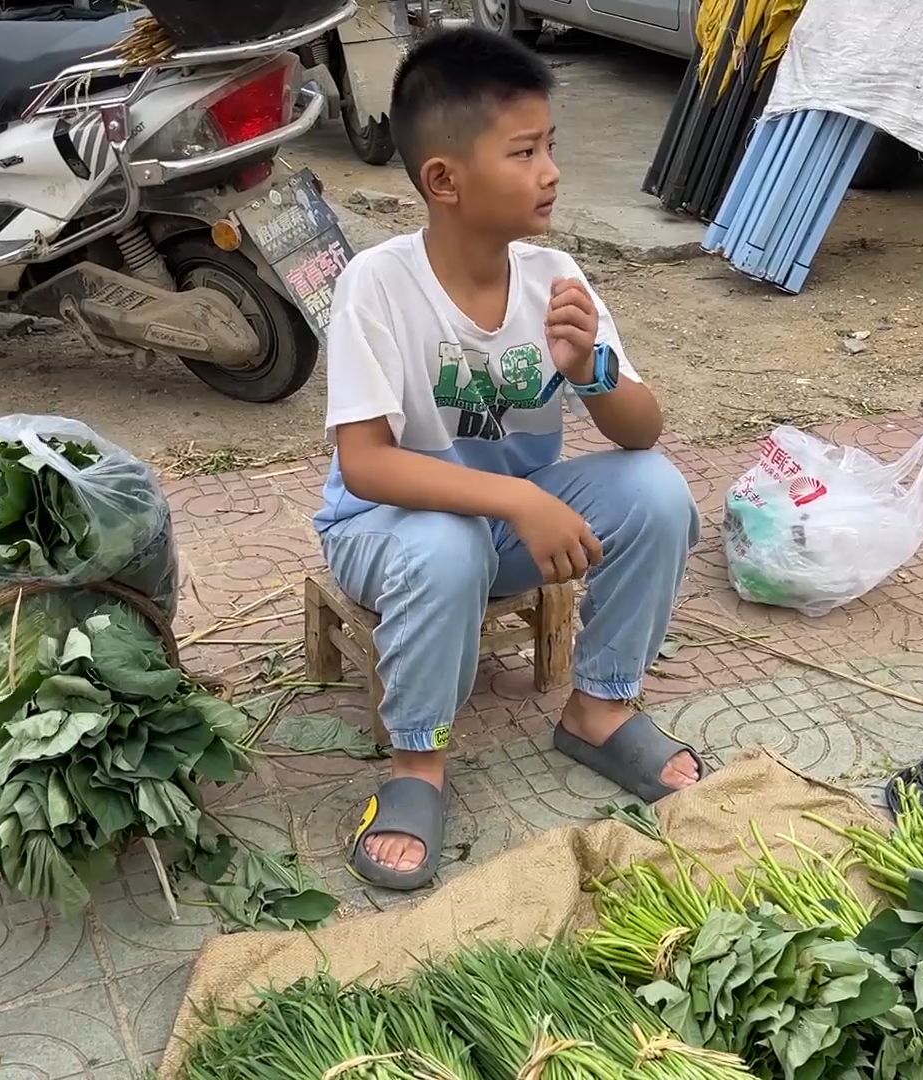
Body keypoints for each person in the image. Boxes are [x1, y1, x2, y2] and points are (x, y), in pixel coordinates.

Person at [314, 26, 706, 890]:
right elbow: (369, 466)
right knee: (445, 543)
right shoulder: (376, 285)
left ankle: (600, 709)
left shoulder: (554, 275)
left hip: (504, 524)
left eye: (551, 146)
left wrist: (591, 370)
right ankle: (418, 765)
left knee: (657, 492)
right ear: (444, 180)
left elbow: (641, 431)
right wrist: (518, 504)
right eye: (524, 151)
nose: (551, 171)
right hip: (387, 530)